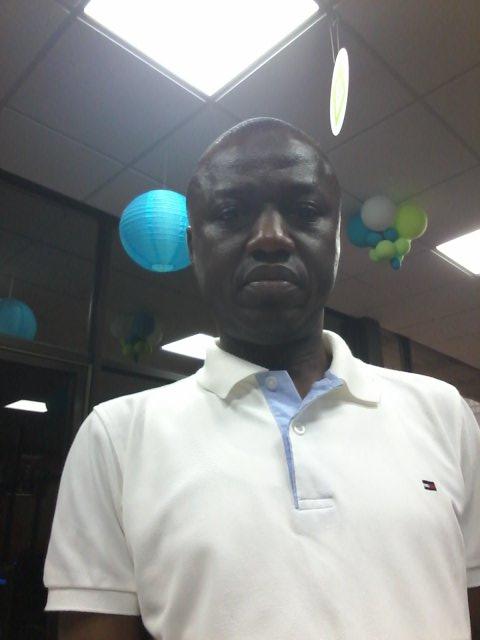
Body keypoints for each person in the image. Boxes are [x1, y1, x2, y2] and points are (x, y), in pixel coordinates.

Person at [44, 117, 480, 640]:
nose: (271, 238)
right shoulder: (115, 438)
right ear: (194, 247)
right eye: (230, 213)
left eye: (305, 212)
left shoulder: (443, 413)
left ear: (336, 239)